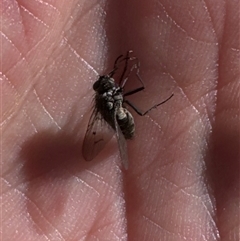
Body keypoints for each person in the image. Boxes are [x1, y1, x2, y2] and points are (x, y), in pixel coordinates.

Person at [2, 0, 239, 240]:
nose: (108, 81)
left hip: (116, 113)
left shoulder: (105, 95)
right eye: (106, 84)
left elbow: (113, 89)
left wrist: (123, 68)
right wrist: (127, 73)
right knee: (133, 103)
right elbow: (119, 90)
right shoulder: (110, 97)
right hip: (121, 120)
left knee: (123, 93)